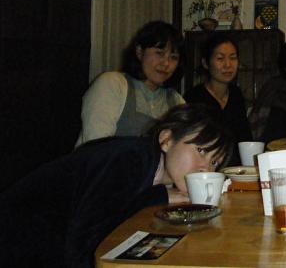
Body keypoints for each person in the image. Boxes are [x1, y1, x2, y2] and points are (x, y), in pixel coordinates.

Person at [0, 104, 232, 268]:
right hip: (17, 242)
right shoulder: (129, 159)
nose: (205, 168)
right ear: (166, 139)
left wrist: (158, 195)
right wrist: (157, 196)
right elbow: (86, 244)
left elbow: (116, 209)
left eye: (215, 162)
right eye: (201, 150)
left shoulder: (151, 166)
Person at [75, 20, 185, 146]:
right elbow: (95, 147)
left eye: (173, 57)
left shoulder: (177, 102)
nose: (166, 63)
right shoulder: (112, 84)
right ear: (139, 52)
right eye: (159, 53)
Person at [184, 33, 251, 166]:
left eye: (233, 58)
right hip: (206, 167)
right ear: (205, 63)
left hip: (236, 169)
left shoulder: (236, 94)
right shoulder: (194, 97)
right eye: (220, 58)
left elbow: (245, 138)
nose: (228, 64)